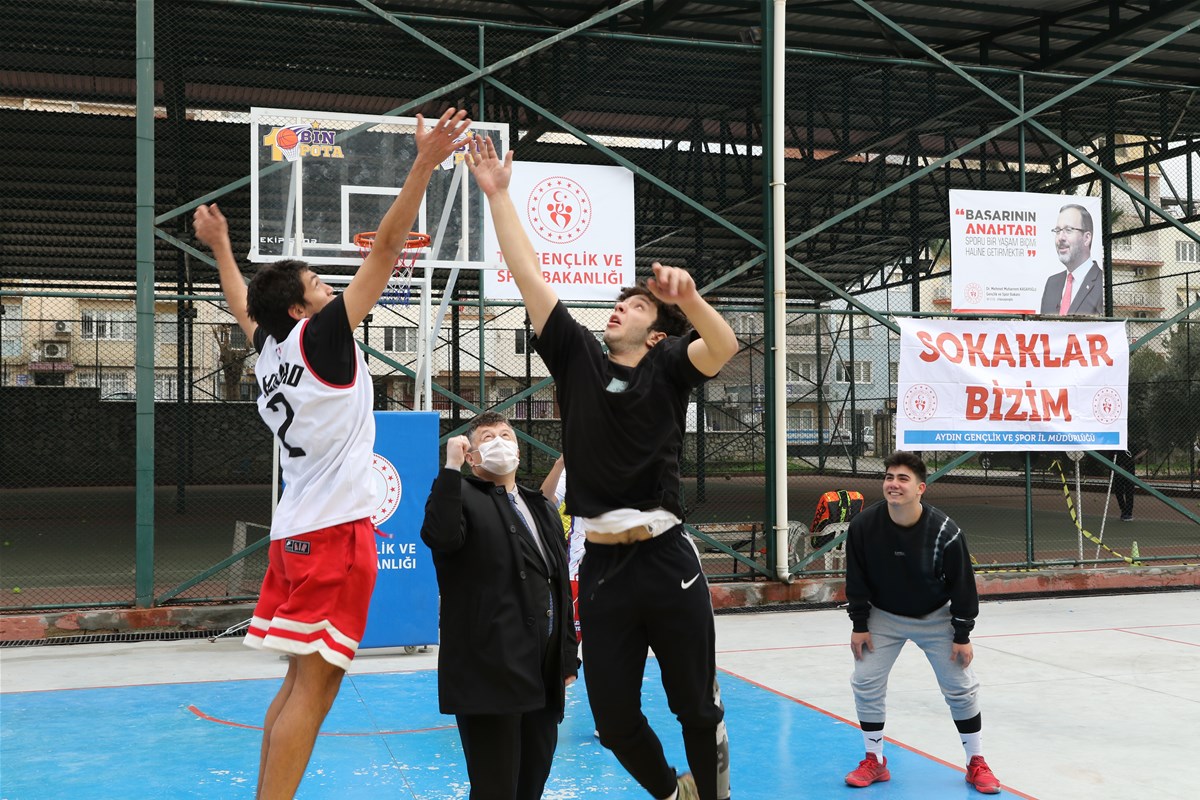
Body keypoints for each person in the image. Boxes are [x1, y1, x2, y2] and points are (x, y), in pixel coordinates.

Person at [192, 107, 471, 800]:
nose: (328, 289)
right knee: (316, 692)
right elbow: (383, 254)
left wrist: (225, 250)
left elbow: (242, 307)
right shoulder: (319, 338)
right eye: (317, 285)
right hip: (336, 532)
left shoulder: (270, 353)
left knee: (297, 683)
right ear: (299, 310)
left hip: (294, 532)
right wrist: (423, 165)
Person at [466, 134, 739, 800]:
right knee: (615, 721)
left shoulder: (671, 368)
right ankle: (675, 794)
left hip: (667, 559)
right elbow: (530, 272)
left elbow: (723, 345)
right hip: (606, 568)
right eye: (619, 303)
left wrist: (691, 297)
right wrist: (499, 196)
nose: (621, 307)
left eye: (638, 306)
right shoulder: (579, 358)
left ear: (656, 335)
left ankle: (713, 789)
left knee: (696, 710)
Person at [420, 412, 578, 800]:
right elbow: (439, 536)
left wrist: (567, 657)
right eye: (487, 437)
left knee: (533, 779)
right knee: (495, 786)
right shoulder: (461, 496)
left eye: (506, 435)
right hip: (489, 668)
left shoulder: (538, 506)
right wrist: (451, 468)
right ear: (472, 455)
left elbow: (558, 585)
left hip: (542, 667)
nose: (499, 442)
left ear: (519, 451)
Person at [843, 451, 1001, 795]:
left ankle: (976, 762)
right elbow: (856, 578)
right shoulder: (863, 526)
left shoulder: (945, 530)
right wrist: (859, 624)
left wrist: (962, 634)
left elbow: (963, 585)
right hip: (883, 616)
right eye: (888, 477)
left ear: (920, 489)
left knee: (960, 687)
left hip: (936, 616)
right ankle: (875, 760)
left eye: (902, 479)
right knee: (865, 681)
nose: (893, 484)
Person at [541, 456, 585, 646]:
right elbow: (544, 502)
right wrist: (560, 464)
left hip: (625, 567)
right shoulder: (576, 467)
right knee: (568, 643)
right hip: (581, 568)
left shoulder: (634, 461)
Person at [1039, 203, 1104, 316]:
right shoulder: (1052, 283)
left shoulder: (1102, 282)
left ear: (1087, 238)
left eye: (1068, 230)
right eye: (1058, 231)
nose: (1061, 238)